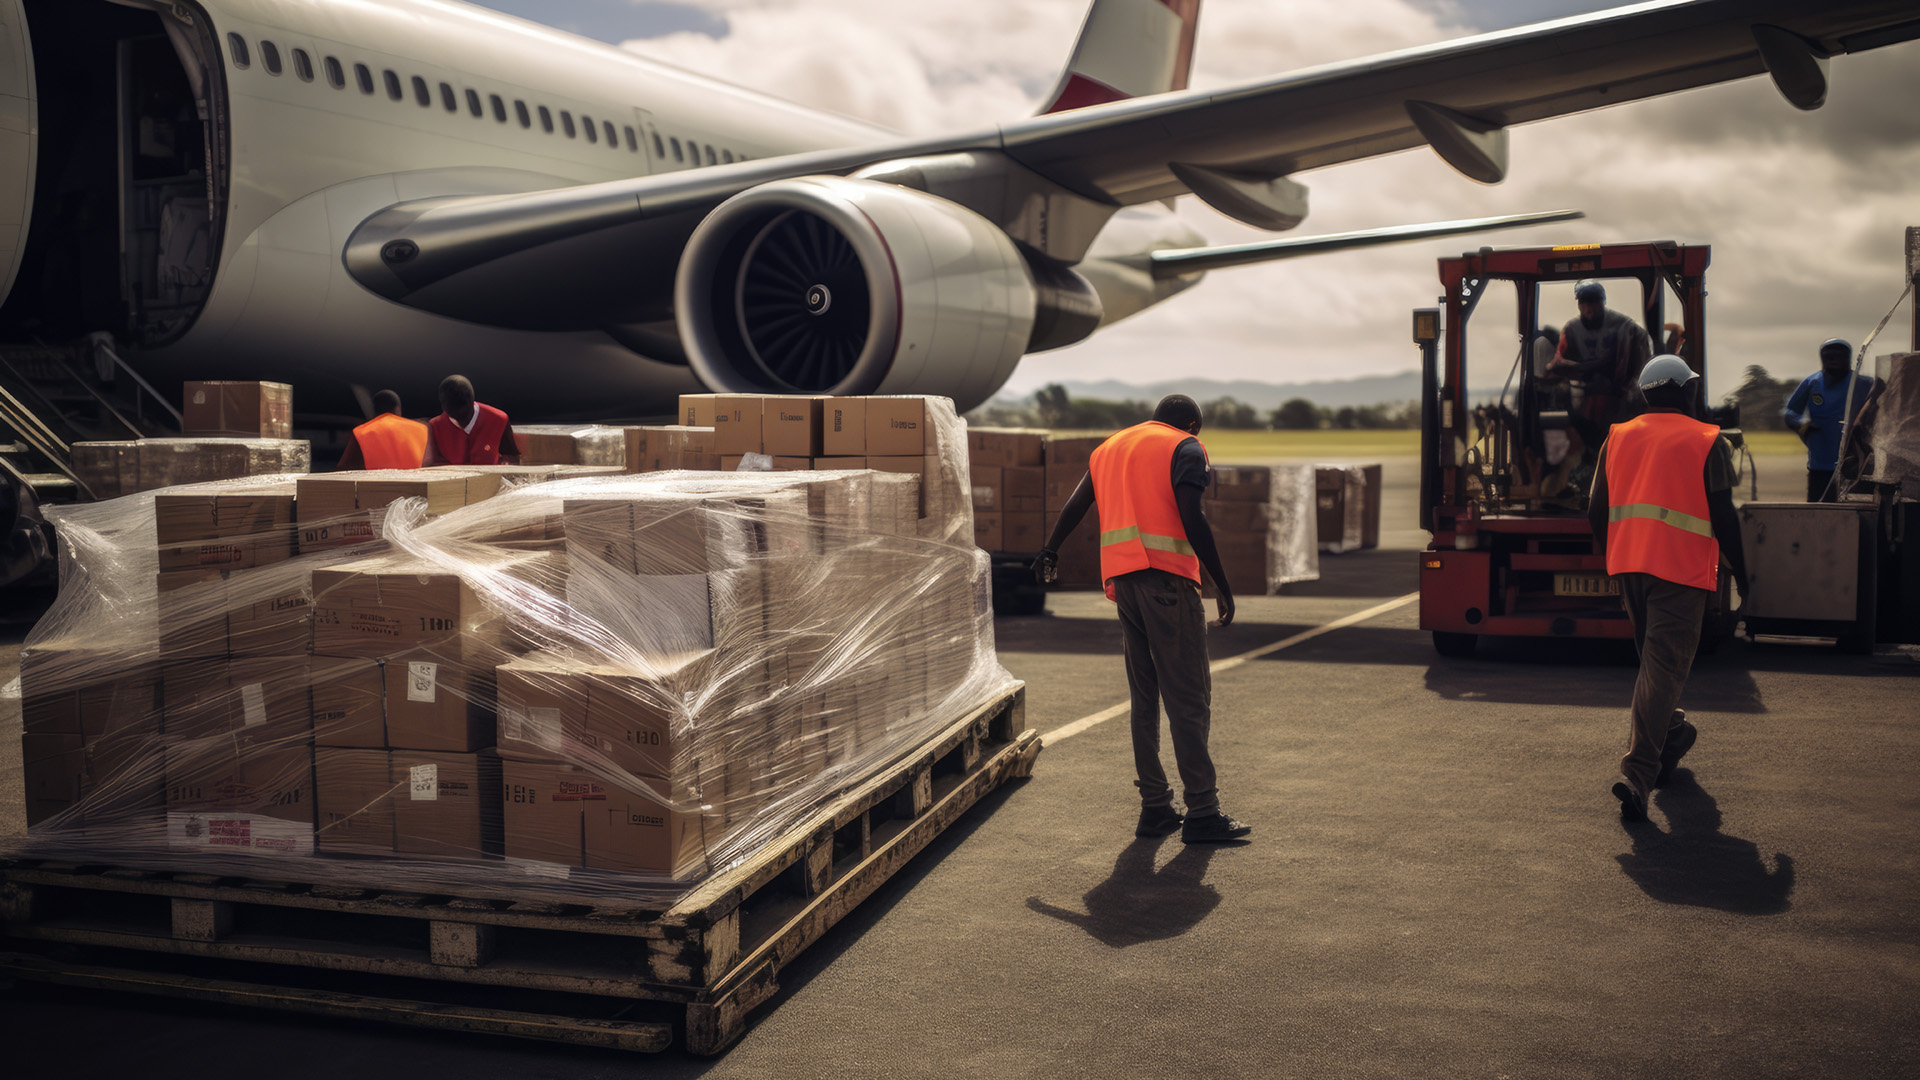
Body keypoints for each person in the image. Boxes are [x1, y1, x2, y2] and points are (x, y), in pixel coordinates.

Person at [1034, 395, 1251, 844]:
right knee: (1189, 696)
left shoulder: (1110, 448)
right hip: (1168, 583)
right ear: (1191, 424)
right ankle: (1203, 812)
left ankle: (1155, 807)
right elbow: (1192, 514)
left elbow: (1077, 504)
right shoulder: (1184, 446)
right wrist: (1221, 585)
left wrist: (1050, 550)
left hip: (1124, 584)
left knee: (1145, 697)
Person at [1586, 356, 1748, 823]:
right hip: (1679, 572)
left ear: (1646, 393)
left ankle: (1673, 733)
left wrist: (1615, 556)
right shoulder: (1705, 440)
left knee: (1654, 669)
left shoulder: (1616, 437)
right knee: (1661, 671)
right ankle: (1639, 775)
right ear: (1684, 391)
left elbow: (1596, 510)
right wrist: (1743, 572)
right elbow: (1724, 515)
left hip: (1630, 567)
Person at [1548, 279, 1653, 448]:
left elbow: (1642, 363)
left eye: (1594, 301)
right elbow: (1558, 362)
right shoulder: (1571, 329)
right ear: (1579, 305)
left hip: (1620, 397)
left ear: (1602, 302)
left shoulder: (1626, 327)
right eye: (1584, 302)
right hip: (1584, 397)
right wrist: (1574, 369)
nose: (1589, 307)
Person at [1784, 338, 1874, 502]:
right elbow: (1790, 412)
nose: (1834, 360)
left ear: (1848, 358)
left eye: (1839, 356)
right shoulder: (1812, 383)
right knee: (1818, 511)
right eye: (1829, 356)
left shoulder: (1864, 384)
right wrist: (1803, 425)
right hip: (1820, 463)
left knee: (1854, 511)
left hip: (1855, 465)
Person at [424, 375, 520, 466]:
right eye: (453, 415)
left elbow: (513, 458)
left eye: (464, 415)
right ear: (443, 407)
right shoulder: (435, 426)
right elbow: (431, 465)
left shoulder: (498, 420)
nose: (461, 422)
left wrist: (505, 464)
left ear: (472, 402)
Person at [336, 389, 428, 471]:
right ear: (397, 409)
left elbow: (343, 468)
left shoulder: (361, 432)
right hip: (414, 487)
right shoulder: (421, 429)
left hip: (377, 488)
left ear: (374, 411)